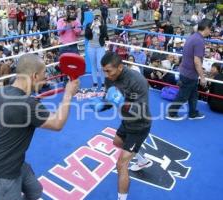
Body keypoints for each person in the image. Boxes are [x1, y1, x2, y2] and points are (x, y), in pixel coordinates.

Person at [0, 54, 79, 200]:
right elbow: (57, 123)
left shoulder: (0, 92)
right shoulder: (27, 103)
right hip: (1, 174)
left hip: (14, 163)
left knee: (35, 191)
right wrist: (68, 94)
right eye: (44, 75)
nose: (45, 79)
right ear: (34, 76)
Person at [90, 51, 153, 200]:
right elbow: (109, 99)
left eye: (109, 71)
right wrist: (102, 105)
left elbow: (142, 109)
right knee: (117, 142)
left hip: (140, 125)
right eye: (103, 71)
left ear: (120, 67)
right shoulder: (110, 79)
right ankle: (143, 161)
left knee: (121, 164)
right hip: (126, 121)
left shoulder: (137, 80)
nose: (106, 75)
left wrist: (121, 103)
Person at [166, 19, 212, 121]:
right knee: (183, 96)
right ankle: (171, 113)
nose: (211, 32)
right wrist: (203, 77)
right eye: (210, 29)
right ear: (207, 28)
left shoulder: (193, 36)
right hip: (190, 74)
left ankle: (193, 113)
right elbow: (197, 61)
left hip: (186, 71)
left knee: (193, 94)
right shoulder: (199, 41)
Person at [85, 9, 108, 91]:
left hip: (100, 47)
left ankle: (103, 83)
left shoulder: (103, 25)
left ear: (101, 16)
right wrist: (91, 27)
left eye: (98, 16)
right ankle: (95, 83)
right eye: (95, 16)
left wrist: (100, 26)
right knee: (93, 65)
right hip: (91, 47)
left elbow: (105, 35)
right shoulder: (89, 25)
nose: (96, 17)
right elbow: (87, 36)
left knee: (100, 66)